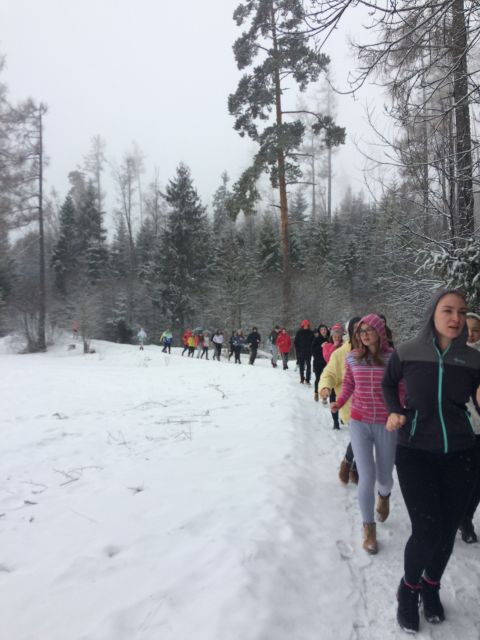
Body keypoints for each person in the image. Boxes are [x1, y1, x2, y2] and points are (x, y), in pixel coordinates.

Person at [382, 290, 480, 634]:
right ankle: (409, 589)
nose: (456, 318)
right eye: (448, 310)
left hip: (461, 452)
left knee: (447, 532)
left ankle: (431, 585)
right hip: (415, 451)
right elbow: (388, 383)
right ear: (433, 313)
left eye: (462, 312)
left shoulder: (473, 359)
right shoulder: (408, 352)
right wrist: (394, 411)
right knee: (427, 531)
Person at [331, 314, 396, 555]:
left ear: (380, 332)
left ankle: (384, 496)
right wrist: (339, 402)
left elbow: (401, 387)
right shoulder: (352, 357)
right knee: (366, 476)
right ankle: (369, 528)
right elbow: (349, 384)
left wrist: (399, 411)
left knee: (385, 477)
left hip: (386, 424)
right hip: (359, 421)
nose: (364, 334)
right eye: (361, 331)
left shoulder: (393, 358)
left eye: (369, 330)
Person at [319, 316, 362, 482]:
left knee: (366, 440)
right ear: (350, 332)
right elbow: (329, 374)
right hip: (351, 406)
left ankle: (350, 461)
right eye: (356, 329)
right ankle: (353, 466)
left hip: (373, 406)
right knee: (360, 439)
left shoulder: (374, 351)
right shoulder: (340, 354)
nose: (360, 333)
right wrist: (325, 387)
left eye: (363, 329)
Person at [459, 312, 480, 543]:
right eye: (467, 329)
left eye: (476, 330)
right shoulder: (451, 355)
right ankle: (456, 515)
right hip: (459, 428)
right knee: (462, 477)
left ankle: (466, 518)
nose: (471, 334)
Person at [322, 324, 344, 430]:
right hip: (332, 376)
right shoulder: (327, 345)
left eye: (339, 335)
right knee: (333, 399)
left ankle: (343, 416)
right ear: (331, 335)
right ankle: (336, 422)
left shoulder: (345, 346)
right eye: (335, 335)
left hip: (344, 376)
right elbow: (327, 358)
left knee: (344, 397)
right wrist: (335, 346)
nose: (337, 337)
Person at [294, 320, 314, 385]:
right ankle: (302, 378)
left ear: (308, 326)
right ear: (302, 326)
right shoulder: (299, 332)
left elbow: (313, 342)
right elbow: (296, 342)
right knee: (301, 366)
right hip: (301, 352)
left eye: (307, 325)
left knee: (308, 366)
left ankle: (308, 379)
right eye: (304, 325)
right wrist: (298, 350)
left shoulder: (311, 333)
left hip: (308, 352)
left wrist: (312, 350)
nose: (305, 326)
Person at [312, 327, 328, 401]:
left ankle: (324, 397)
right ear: (319, 331)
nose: (324, 331)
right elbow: (313, 351)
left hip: (326, 362)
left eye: (325, 329)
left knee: (326, 379)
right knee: (318, 378)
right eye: (322, 330)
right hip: (317, 362)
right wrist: (321, 347)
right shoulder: (316, 339)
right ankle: (316, 392)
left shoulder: (329, 339)